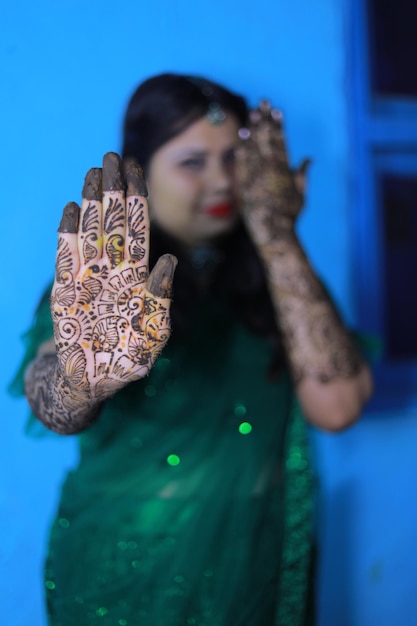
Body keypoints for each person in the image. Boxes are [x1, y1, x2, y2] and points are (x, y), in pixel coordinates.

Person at [14, 73, 372, 626]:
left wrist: (278, 237)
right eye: (192, 162)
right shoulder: (105, 287)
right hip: (130, 566)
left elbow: (339, 405)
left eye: (235, 157)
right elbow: (49, 392)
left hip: (257, 559)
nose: (223, 180)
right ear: (141, 171)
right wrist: (79, 381)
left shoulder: (278, 279)